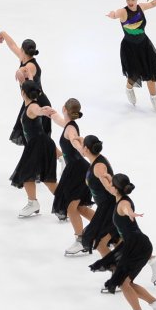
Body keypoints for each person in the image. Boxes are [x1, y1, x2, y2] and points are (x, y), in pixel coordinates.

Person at [88, 174, 156, 310]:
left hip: (137, 246)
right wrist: (106, 176)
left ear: (115, 188)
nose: (108, 186)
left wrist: (130, 213)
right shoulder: (118, 196)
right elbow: (108, 187)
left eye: (110, 184)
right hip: (134, 244)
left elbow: (126, 208)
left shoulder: (123, 203)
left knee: (123, 282)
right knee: (127, 282)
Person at [43, 98, 96, 255]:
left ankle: (81, 241)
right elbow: (62, 123)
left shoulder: (71, 129)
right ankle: (109, 230)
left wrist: (79, 146)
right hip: (77, 169)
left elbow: (73, 138)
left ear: (64, 109)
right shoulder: (69, 124)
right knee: (80, 208)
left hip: (77, 171)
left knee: (71, 207)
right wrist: (51, 114)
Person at [106, 0, 156, 110]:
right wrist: (112, 15)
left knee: (151, 73)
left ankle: (154, 98)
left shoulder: (141, 7)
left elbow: (152, 3)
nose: (130, 1)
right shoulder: (123, 12)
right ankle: (129, 89)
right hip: (130, 48)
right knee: (134, 75)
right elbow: (116, 14)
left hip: (144, 45)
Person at [9, 79, 58, 218]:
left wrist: (43, 111)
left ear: (23, 93)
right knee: (43, 179)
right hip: (38, 144)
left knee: (29, 175)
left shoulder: (32, 107)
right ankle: (60, 203)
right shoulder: (29, 103)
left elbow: (38, 110)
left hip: (38, 145)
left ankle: (35, 203)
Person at [0, 31, 53, 143]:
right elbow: (13, 46)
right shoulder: (24, 59)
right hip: (30, 101)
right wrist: (3, 33)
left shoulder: (30, 66)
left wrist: (19, 70)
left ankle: (57, 157)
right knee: (31, 136)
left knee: (39, 138)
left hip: (39, 102)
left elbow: (25, 71)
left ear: (23, 50)